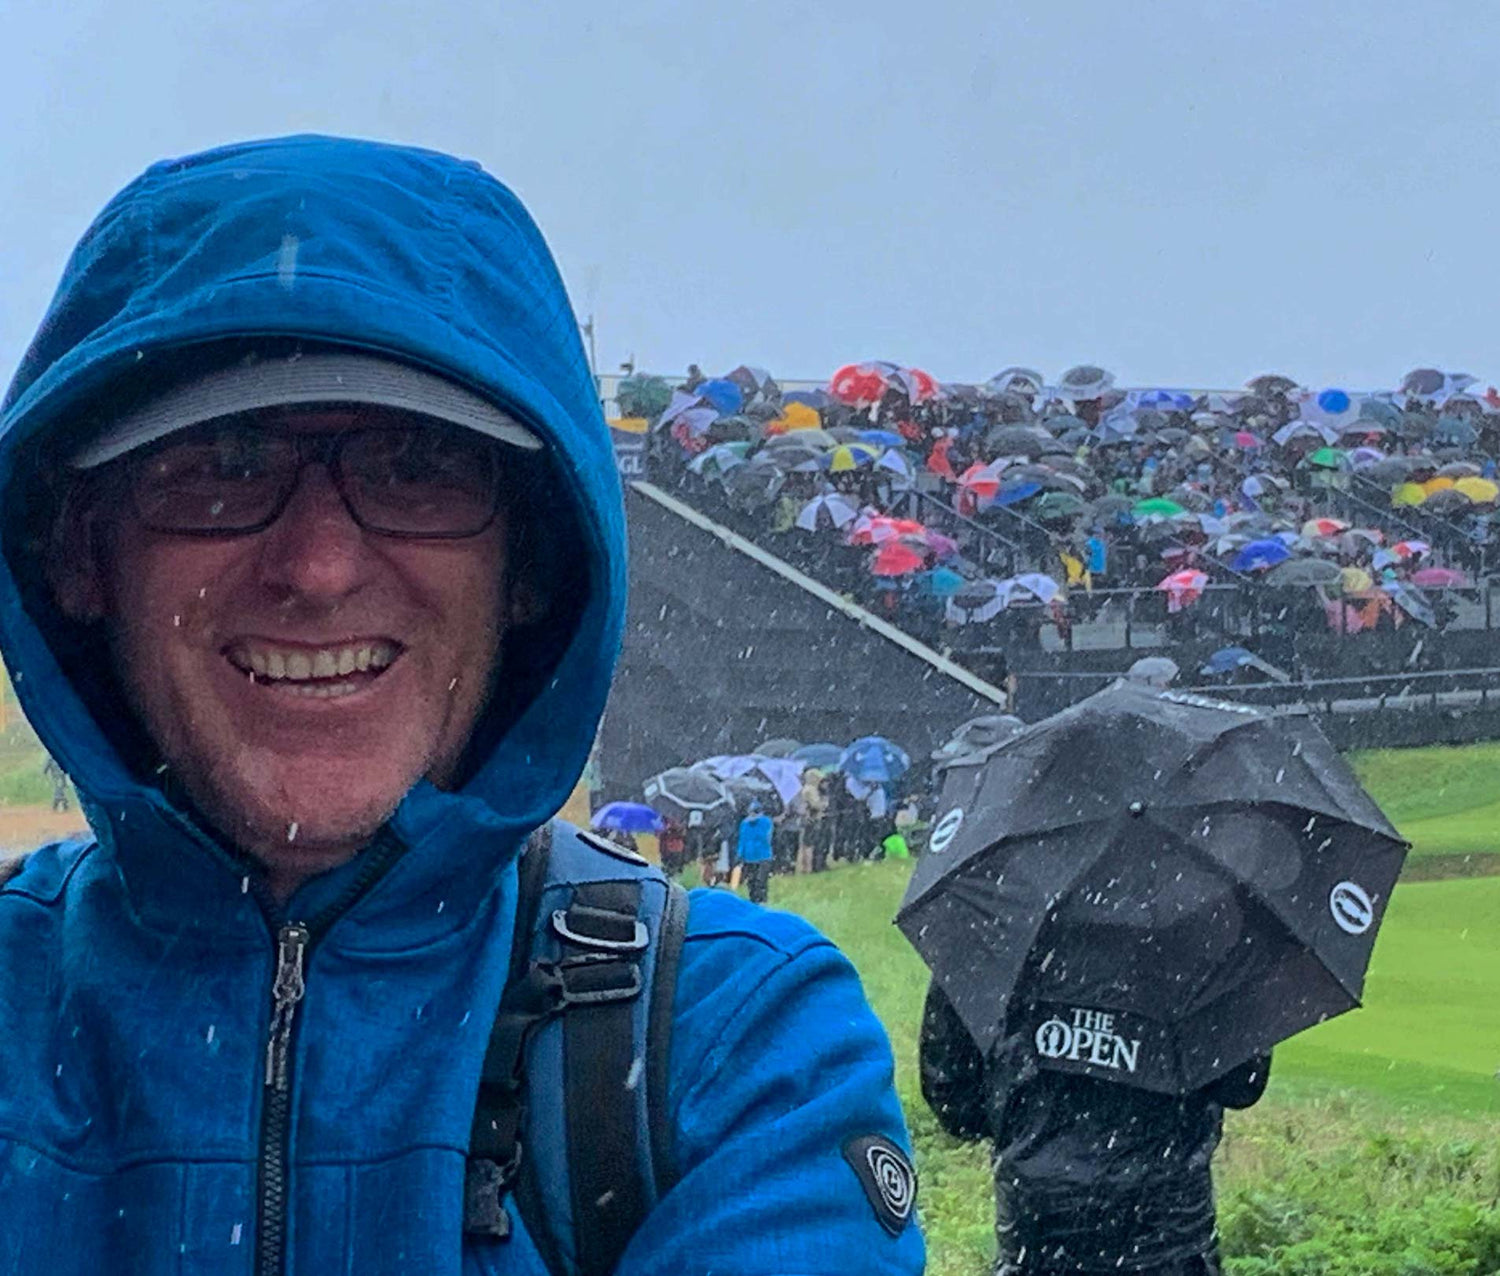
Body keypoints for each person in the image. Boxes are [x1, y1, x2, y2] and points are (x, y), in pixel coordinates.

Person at [0, 136, 923, 1273]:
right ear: (80, 553)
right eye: (223, 463)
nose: (321, 564)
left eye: (414, 466)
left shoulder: (731, 1045)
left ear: (529, 557)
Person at [921, 981, 1269, 1275]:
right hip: (1168, 1234)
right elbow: (1241, 1085)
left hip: (1037, 1233)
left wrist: (1029, 1125)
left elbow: (956, 1103)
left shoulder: (996, 920)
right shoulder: (1211, 926)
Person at [735, 801, 775, 905]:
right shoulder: (744, 823)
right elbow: (742, 839)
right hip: (749, 857)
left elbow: (766, 838)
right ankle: (753, 901)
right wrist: (740, 854)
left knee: (761, 881)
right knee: (751, 881)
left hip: (763, 856)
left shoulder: (766, 822)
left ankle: (762, 902)